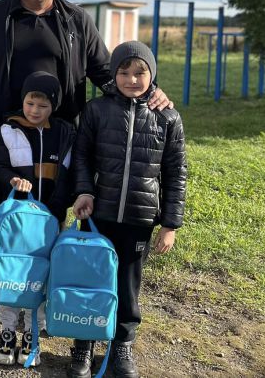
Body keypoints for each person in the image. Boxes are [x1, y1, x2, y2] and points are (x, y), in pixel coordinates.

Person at [0, 0, 171, 330]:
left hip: (59, 143)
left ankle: (37, 293)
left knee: (51, 217)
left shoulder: (77, 21)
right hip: (6, 141)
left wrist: (151, 92)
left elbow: (106, 72)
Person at [70, 41, 187, 378]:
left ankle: (121, 345)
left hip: (140, 219)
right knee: (91, 280)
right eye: (124, 71)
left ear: (152, 75)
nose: (132, 79)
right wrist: (83, 193)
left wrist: (170, 224)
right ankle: (84, 344)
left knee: (127, 284)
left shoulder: (167, 118)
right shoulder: (96, 110)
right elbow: (82, 157)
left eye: (140, 72)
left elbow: (175, 172)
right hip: (98, 216)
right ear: (114, 73)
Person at [0, 71, 75, 368]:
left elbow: (68, 178)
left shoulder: (65, 133)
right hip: (17, 223)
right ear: (22, 101)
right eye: (30, 103)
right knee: (13, 275)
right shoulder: (8, 129)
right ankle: (8, 330)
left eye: (42, 105)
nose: (35, 110)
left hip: (49, 222)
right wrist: (12, 179)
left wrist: (55, 210)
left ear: (53, 107)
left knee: (42, 277)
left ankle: (32, 334)